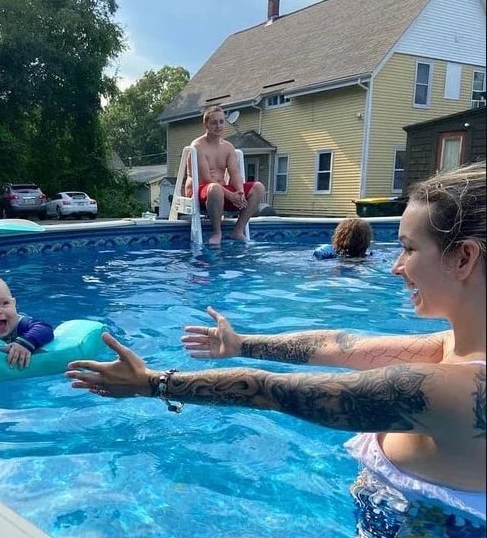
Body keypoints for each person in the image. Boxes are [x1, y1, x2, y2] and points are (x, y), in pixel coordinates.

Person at [65, 161, 485, 532]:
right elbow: (339, 344)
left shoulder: (458, 391)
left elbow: (270, 390)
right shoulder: (453, 347)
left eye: (409, 249)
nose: (396, 267)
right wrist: (242, 343)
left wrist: (152, 383)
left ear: (463, 258)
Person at [185, 105, 265, 245]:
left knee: (258, 187)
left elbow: (235, 174)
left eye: (221, 122)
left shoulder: (228, 147)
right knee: (214, 188)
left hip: (220, 192)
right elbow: (206, 179)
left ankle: (238, 230)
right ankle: (217, 232)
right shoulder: (197, 146)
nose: (218, 126)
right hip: (200, 190)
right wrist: (231, 195)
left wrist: (240, 192)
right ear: (205, 124)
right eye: (214, 122)